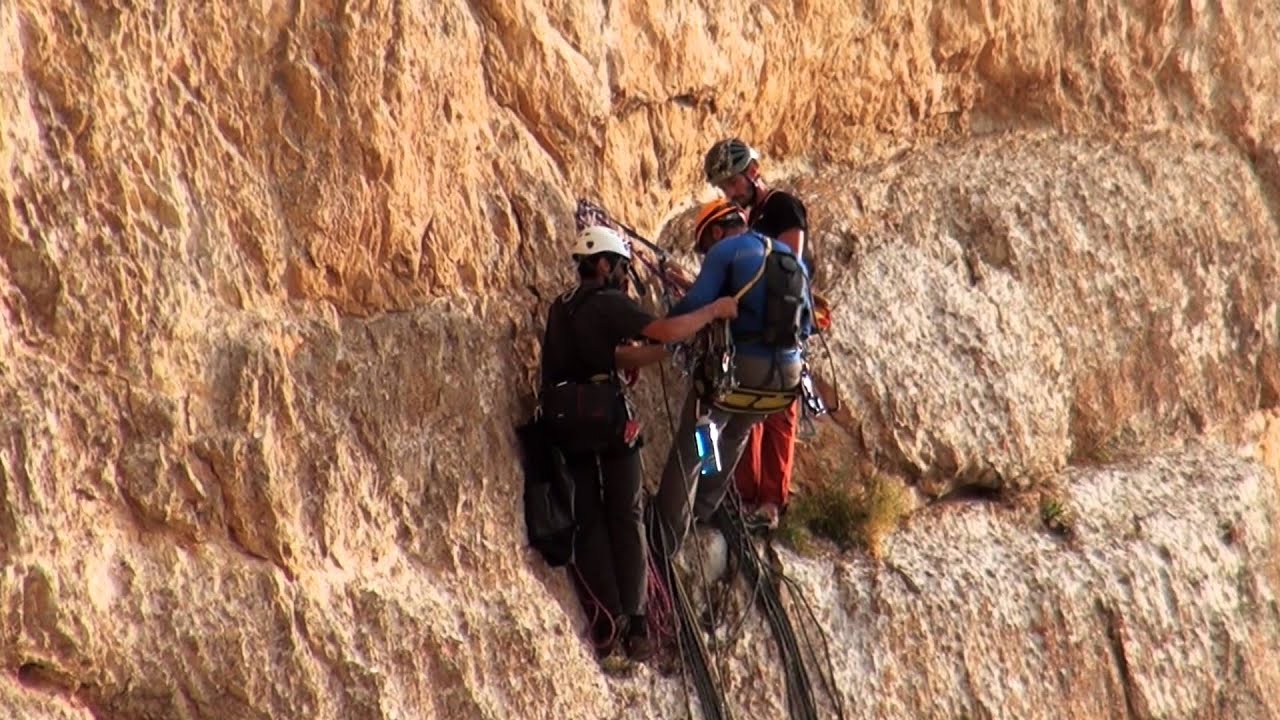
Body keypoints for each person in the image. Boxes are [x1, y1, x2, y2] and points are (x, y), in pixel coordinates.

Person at [538, 225, 737, 660]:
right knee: (626, 513)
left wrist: (669, 352)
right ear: (604, 264)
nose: (625, 277)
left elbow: (621, 356)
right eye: (622, 267)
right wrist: (711, 312)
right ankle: (640, 622)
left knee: (588, 516)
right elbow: (662, 329)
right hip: (606, 417)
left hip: (563, 417)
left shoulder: (562, 308)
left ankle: (609, 621)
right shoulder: (608, 301)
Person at [651, 200, 811, 556]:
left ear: (717, 231)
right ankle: (706, 507)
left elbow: (695, 305)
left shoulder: (727, 250)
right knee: (736, 431)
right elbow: (806, 323)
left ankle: (666, 535)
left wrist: (657, 327)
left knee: (699, 437)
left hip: (740, 372)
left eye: (706, 246)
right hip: (783, 381)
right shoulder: (787, 255)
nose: (709, 252)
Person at [702, 138, 814, 530]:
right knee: (749, 416)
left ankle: (769, 504)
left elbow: (789, 267)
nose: (730, 193)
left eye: (732, 183)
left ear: (752, 171)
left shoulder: (782, 206)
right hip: (754, 332)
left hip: (781, 328)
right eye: (724, 187)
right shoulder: (753, 220)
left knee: (777, 415)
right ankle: (743, 498)